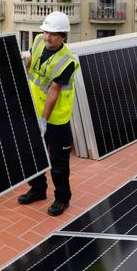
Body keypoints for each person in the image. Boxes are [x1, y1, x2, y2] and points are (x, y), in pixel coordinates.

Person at [18, 11, 79, 216]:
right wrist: (23, 61)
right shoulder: (37, 41)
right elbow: (33, 62)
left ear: (63, 36)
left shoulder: (67, 61)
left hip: (56, 119)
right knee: (32, 155)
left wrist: (44, 119)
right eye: (46, 32)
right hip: (33, 112)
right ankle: (38, 189)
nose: (47, 37)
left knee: (59, 163)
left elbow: (53, 91)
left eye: (53, 34)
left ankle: (62, 198)